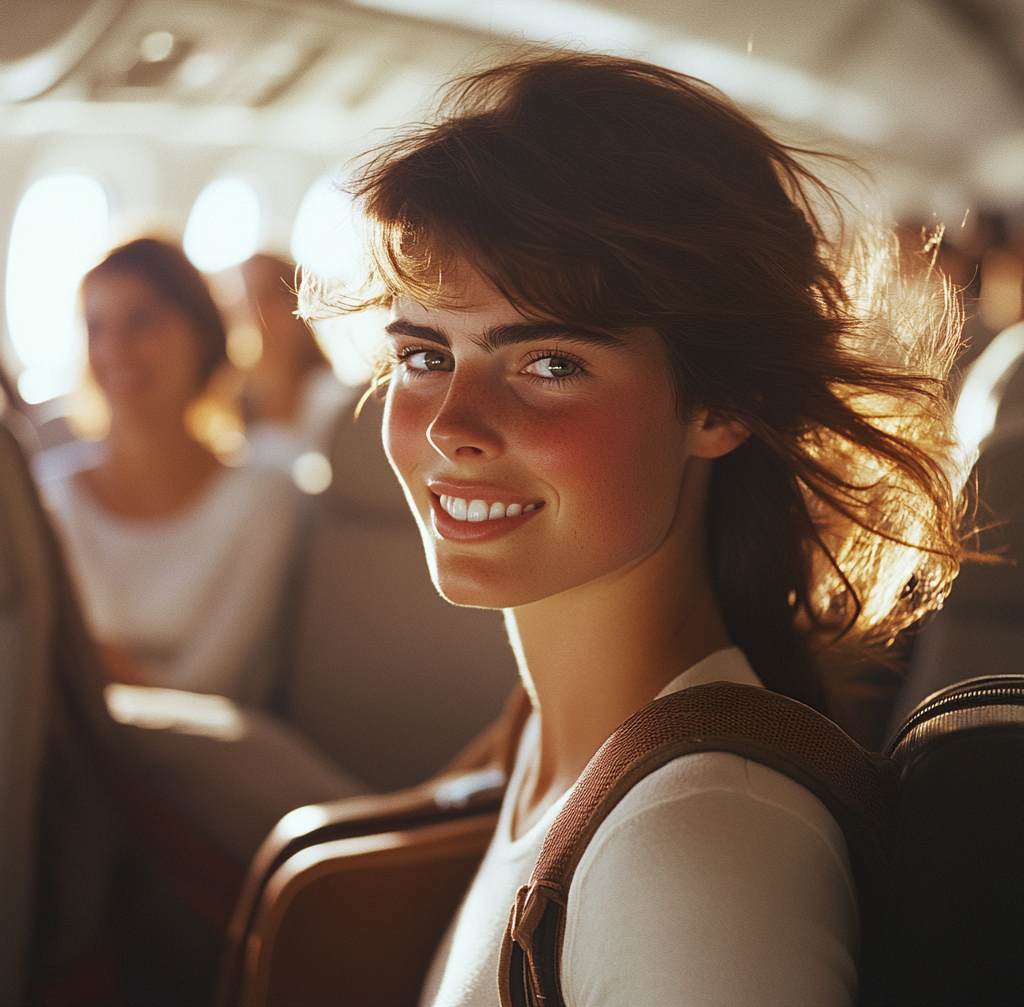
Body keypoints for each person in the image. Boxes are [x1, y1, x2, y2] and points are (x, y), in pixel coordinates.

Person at [311, 51, 966, 1006]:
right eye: (424, 354)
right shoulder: (548, 744)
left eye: (549, 364)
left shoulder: (700, 850)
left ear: (720, 404)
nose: (451, 426)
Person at [42, 237, 301, 703]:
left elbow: (213, 693)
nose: (116, 349)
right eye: (97, 327)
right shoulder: (46, 495)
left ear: (202, 335)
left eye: (143, 322)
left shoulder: (265, 498)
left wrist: (79, 661)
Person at [239, 253, 352, 473]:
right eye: (243, 298)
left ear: (297, 305)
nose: (254, 312)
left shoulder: (332, 399)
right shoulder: (234, 403)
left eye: (266, 297)